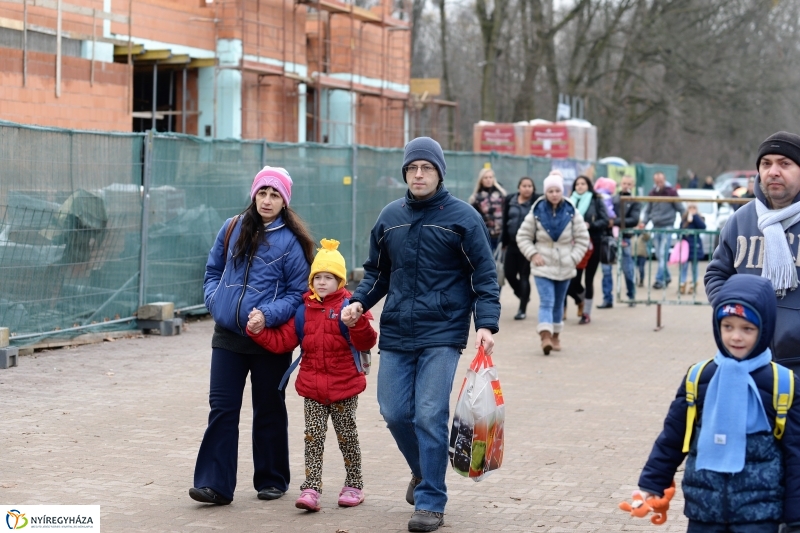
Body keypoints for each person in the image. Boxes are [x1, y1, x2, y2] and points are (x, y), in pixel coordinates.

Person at [340, 137, 500, 532]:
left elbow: (485, 276)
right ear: (405, 173)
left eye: (426, 168)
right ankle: (423, 470)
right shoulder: (390, 216)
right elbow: (377, 271)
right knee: (394, 412)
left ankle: (431, 500)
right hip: (396, 329)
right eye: (412, 168)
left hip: (442, 331)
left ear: (439, 172)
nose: (419, 174)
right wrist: (360, 301)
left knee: (430, 413)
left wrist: (486, 324)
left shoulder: (463, 218)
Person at [632, 275, 800, 533]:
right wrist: (651, 486)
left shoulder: (783, 383)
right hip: (704, 511)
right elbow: (672, 438)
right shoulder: (699, 377)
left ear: (764, 328)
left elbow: (795, 454)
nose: (736, 336)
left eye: (747, 328)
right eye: (727, 326)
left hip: (760, 515)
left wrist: (795, 518)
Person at [190, 167, 315, 505]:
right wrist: (217, 304)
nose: (267, 200)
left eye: (275, 195)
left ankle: (272, 479)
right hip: (228, 335)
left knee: (269, 408)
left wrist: (267, 316)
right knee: (223, 408)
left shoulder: (291, 242)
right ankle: (214, 485)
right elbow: (213, 270)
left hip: (268, 340)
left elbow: (296, 293)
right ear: (254, 194)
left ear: (284, 201)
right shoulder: (232, 228)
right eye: (263, 192)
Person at [246, 239, 377, 512]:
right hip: (312, 389)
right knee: (312, 439)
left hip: (344, 387)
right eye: (317, 277)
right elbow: (284, 340)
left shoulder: (350, 307)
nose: (322, 282)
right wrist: (259, 332)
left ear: (340, 281)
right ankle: (311, 488)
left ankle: (354, 485)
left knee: (347, 437)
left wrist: (357, 321)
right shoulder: (304, 310)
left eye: (329, 277)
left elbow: (366, 341)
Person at [705, 131, 800, 374]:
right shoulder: (741, 220)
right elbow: (717, 275)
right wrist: (733, 314)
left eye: (785, 163)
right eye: (766, 164)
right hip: (750, 361)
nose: (773, 171)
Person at [516, 172, 589, 354]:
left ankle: (556, 336)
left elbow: (582, 238)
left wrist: (573, 258)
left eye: (557, 190)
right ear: (546, 192)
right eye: (551, 191)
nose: (554, 194)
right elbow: (523, 236)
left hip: (565, 263)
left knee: (558, 303)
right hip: (543, 264)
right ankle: (545, 336)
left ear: (562, 191)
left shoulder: (571, 210)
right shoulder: (537, 210)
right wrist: (533, 254)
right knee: (547, 301)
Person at [566, 175, 610, 324]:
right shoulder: (569, 201)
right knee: (573, 281)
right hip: (574, 244)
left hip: (594, 243)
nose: (580, 186)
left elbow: (605, 220)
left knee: (589, 279)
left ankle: (586, 313)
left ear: (588, 185)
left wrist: (591, 225)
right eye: (577, 184)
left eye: (583, 183)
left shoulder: (596, 200)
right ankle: (581, 299)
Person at [639, 172, 685, 290]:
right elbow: (648, 210)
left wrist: (684, 224)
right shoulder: (652, 193)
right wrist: (644, 222)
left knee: (662, 253)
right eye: (656, 181)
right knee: (660, 256)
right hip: (656, 226)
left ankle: (659, 279)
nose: (659, 183)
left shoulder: (671, 192)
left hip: (667, 227)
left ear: (664, 180)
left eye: (661, 181)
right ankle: (667, 276)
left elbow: (681, 208)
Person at [501, 176, 538, 320]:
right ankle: (523, 295)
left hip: (528, 244)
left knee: (524, 276)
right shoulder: (511, 200)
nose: (527, 188)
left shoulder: (536, 202)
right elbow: (505, 221)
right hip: (511, 244)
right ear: (519, 188)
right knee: (509, 274)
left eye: (530, 186)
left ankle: (522, 308)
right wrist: (503, 241)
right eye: (524, 186)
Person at [612, 175, 642, 306]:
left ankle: (631, 295)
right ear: (620, 184)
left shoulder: (634, 201)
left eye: (629, 184)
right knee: (607, 269)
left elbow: (634, 220)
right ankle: (607, 298)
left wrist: (615, 222)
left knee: (627, 268)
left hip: (626, 237)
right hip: (611, 236)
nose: (626, 186)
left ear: (633, 186)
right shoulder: (613, 199)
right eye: (624, 183)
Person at [469, 167, 507, 251]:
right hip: (485, 236)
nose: (488, 180)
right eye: (485, 178)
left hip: (501, 235)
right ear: (481, 180)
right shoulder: (476, 198)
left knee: (500, 262)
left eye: (490, 177)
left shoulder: (501, 195)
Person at [595, 177, 617, 309]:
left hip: (606, 239)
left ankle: (607, 298)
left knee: (606, 270)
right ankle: (606, 298)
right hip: (598, 237)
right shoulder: (595, 200)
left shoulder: (611, 200)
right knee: (605, 271)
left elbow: (613, 218)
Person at [678, 202, 706, 295]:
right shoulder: (684, 218)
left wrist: (695, 217)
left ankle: (694, 284)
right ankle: (682, 283)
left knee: (695, 267)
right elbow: (680, 229)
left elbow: (703, 227)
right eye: (690, 207)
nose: (692, 209)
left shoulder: (699, 217)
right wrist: (688, 221)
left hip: (695, 245)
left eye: (694, 207)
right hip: (686, 245)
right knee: (684, 266)